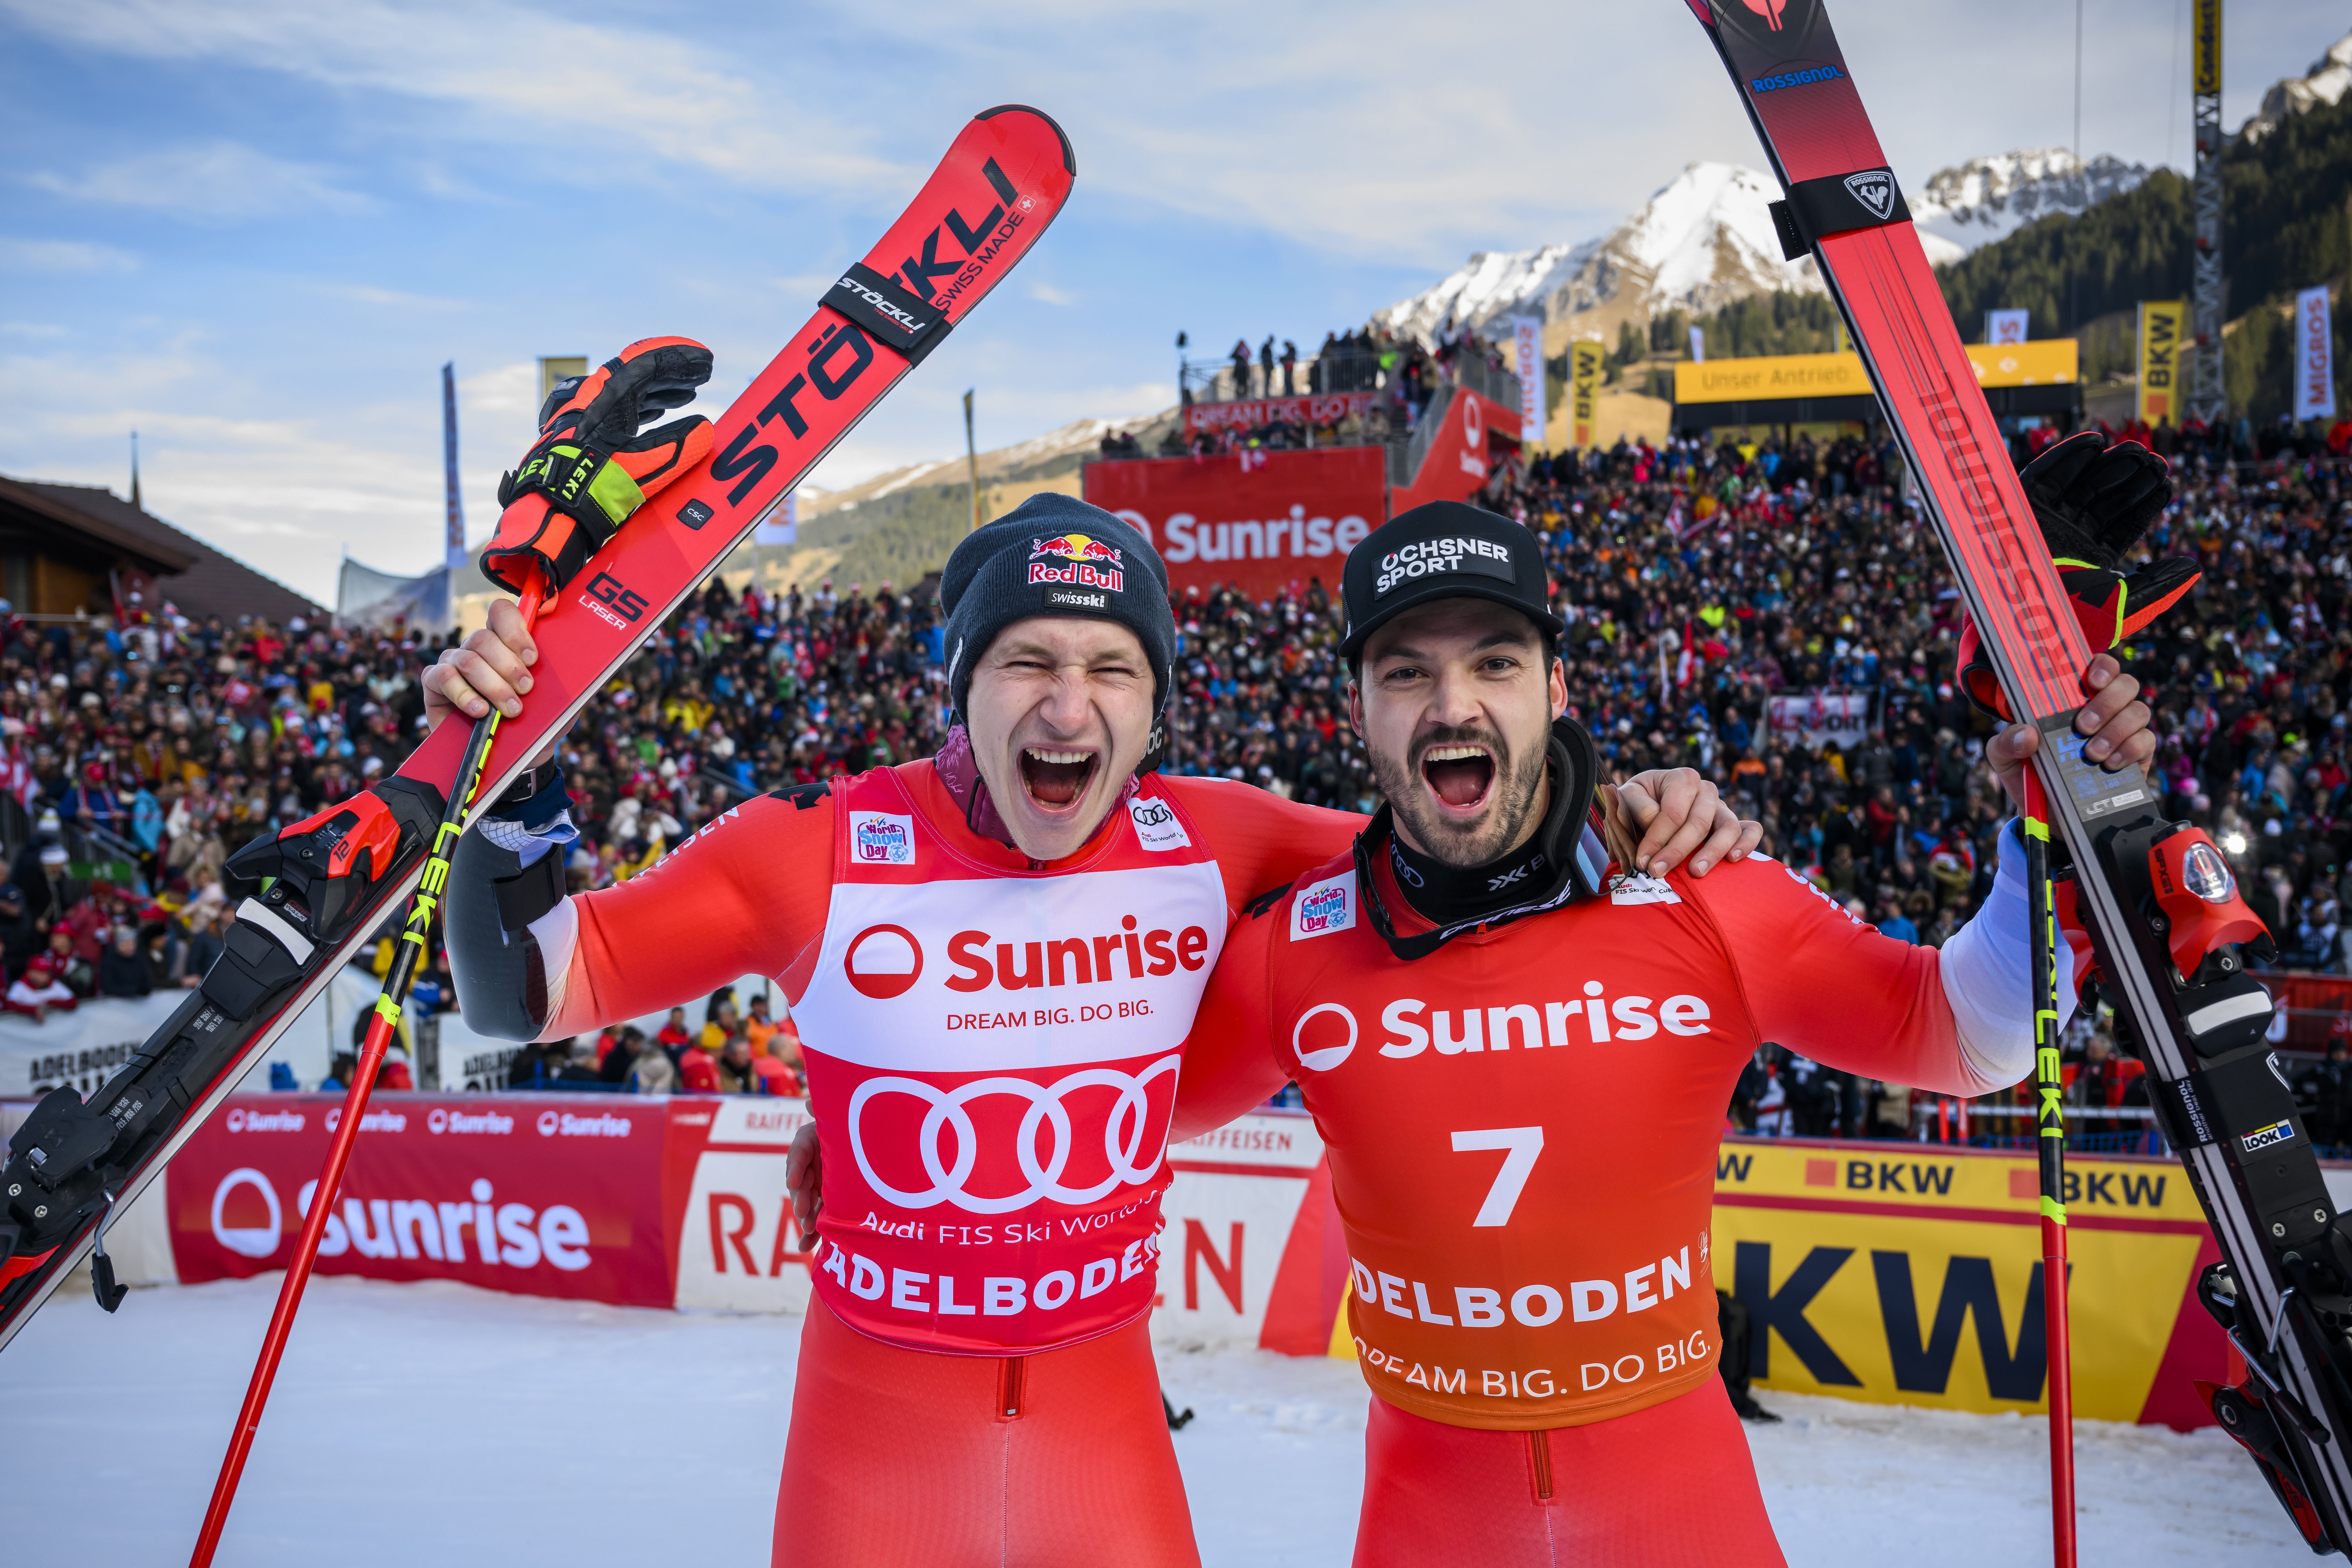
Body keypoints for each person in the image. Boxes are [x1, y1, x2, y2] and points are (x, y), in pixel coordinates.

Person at [426, 485, 1751, 1568]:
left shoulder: (1218, 838)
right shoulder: (814, 852)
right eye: (1028, 663)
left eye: (1111, 669)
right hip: (872, 1468)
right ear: (960, 686)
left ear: (1156, 704)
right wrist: (508, 782)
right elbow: (529, 992)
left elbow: (1460, 851)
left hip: (1106, 1459)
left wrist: (1634, 803)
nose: (1069, 709)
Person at [1170, 499, 2158, 1566]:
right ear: (1356, 706)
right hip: (1427, 1525)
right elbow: (1113, 1113)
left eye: (1496, 664)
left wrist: (2061, 807)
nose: (1452, 707)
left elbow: (1970, 1040)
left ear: (1555, 689)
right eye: (1406, 672)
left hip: (1679, 1518)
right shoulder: (1299, 944)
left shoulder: (1693, 883)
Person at [97, 925, 151, 998]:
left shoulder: (139, 959)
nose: (129, 947)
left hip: (138, 1002)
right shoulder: (109, 960)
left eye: (131, 944)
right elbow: (108, 987)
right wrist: (133, 990)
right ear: (118, 945)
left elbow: (145, 981)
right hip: (115, 1003)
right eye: (125, 944)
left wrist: (144, 989)